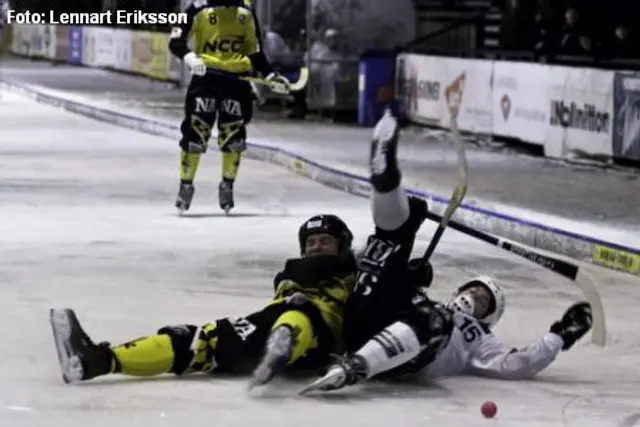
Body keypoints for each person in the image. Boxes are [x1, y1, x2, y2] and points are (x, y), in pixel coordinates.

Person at [301, 113, 595, 394]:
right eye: (474, 290)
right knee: (391, 242)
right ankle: (387, 187)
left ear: (489, 318)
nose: (474, 298)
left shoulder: (479, 338)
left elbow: (517, 364)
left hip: (401, 362)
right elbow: (365, 268)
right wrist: (402, 276)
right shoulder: (426, 300)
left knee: (436, 318)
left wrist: (560, 336)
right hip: (363, 321)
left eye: (483, 302)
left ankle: (357, 366)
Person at [50, 213, 357, 386]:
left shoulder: (354, 273)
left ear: (343, 246)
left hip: (320, 337)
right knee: (195, 340)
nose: (316, 247)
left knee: (297, 313)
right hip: (263, 322)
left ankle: (283, 346)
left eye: (325, 241)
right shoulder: (291, 274)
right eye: (311, 242)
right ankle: (96, 361)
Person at [168, 0, 288, 214]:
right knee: (196, 132)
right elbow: (175, 41)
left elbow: (255, 51)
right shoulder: (197, 7)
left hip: (236, 80)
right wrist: (189, 57)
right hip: (205, 77)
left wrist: (270, 75)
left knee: (234, 136)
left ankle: (227, 186)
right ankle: (185, 186)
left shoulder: (246, 10)